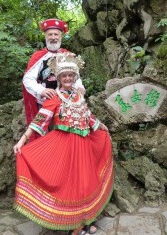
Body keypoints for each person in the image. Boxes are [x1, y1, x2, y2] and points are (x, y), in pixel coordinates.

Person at [14, 55, 114, 235]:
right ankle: (73, 225)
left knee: (86, 183)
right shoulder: (54, 98)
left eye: (70, 76)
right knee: (70, 185)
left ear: (74, 77)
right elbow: (40, 120)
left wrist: (103, 127)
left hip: (83, 145)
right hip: (65, 146)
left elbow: (88, 117)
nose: (68, 79)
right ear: (58, 79)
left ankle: (87, 220)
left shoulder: (78, 96)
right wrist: (22, 140)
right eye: (64, 76)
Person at [23, 18, 85, 141]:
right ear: (45, 36)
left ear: (60, 36)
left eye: (56, 34)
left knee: (69, 132)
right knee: (47, 134)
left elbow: (75, 77)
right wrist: (41, 90)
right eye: (50, 34)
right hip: (46, 102)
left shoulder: (68, 55)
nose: (53, 37)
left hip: (67, 102)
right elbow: (28, 79)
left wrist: (80, 88)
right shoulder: (38, 57)